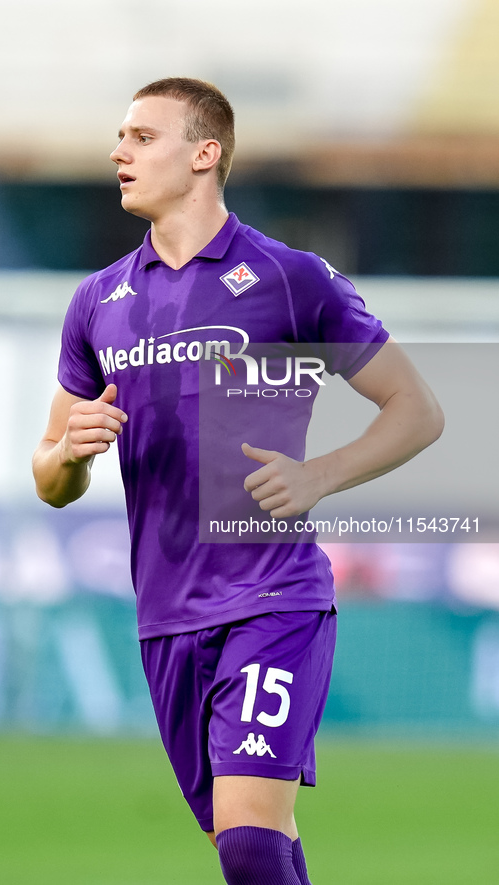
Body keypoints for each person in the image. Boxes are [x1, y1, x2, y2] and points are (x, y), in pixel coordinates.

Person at [32, 77, 444, 885]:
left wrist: (319, 474)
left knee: (251, 841)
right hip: (166, 620)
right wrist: (69, 454)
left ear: (204, 153)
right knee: (253, 851)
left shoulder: (290, 277)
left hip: (273, 598)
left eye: (142, 137)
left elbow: (417, 409)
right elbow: (51, 477)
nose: (119, 151)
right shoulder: (97, 302)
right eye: (120, 137)